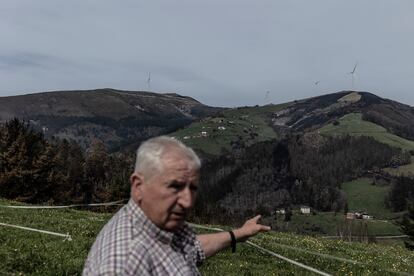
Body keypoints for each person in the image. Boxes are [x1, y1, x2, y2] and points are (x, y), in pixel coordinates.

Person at [83, 136, 270, 275]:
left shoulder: (155, 227)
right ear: (138, 186)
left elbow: (192, 250)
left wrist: (238, 234)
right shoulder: (124, 264)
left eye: (193, 188)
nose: (187, 201)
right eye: (175, 186)